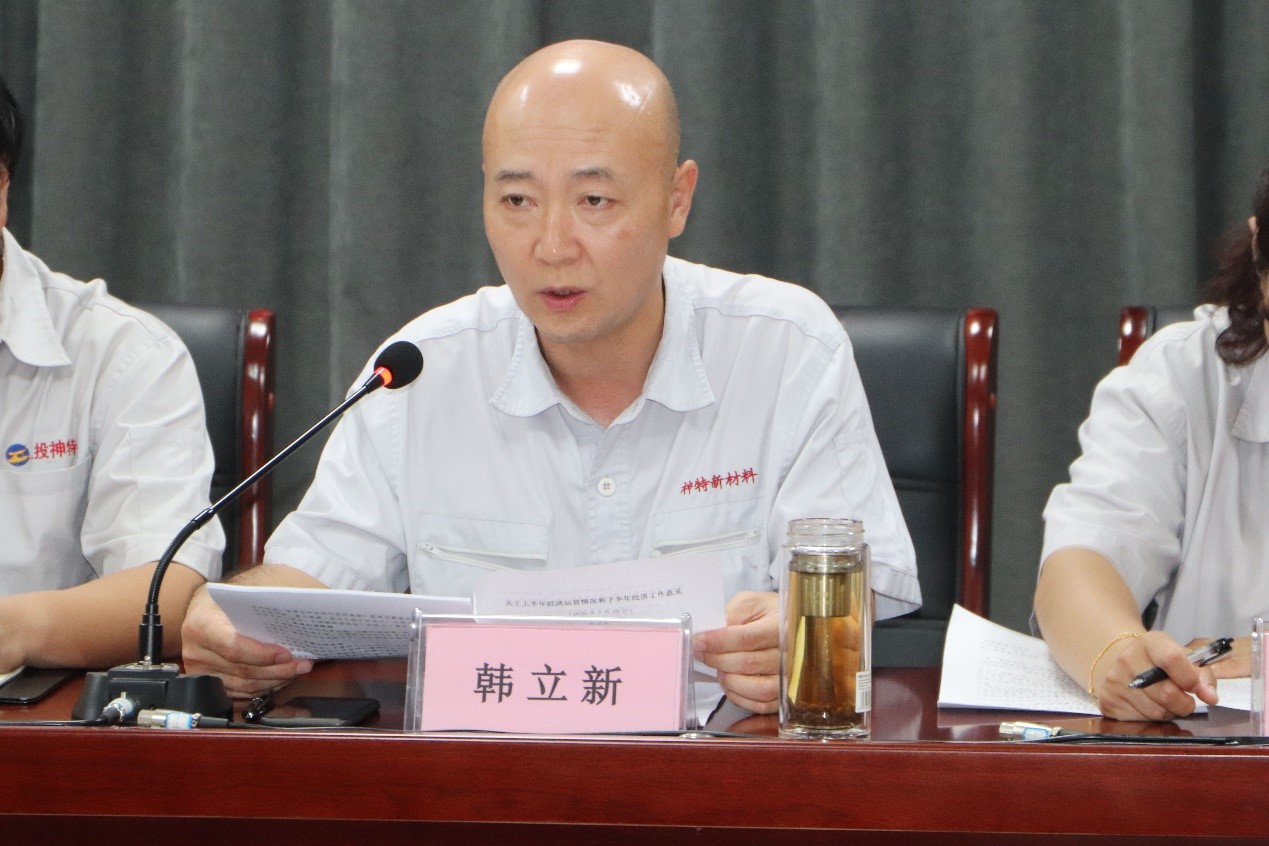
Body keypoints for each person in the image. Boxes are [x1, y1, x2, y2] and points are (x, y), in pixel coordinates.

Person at [181, 39, 919, 716]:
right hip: (484, 782)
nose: (551, 245)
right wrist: (235, 622)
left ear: (677, 198)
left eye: (594, 201)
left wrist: (794, 634)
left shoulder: (785, 349)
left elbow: (857, 594)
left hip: (720, 774)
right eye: (517, 202)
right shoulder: (418, 372)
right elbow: (314, 578)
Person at [0, 75, 224, 674]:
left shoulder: (124, 355)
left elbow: (166, 591)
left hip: (37, 711)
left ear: (2, 187)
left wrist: (13, 629)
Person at [1034, 161, 1269, 721]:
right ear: (1260, 248)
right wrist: (1117, 656)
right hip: (1211, 762)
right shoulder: (1184, 375)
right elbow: (1082, 558)